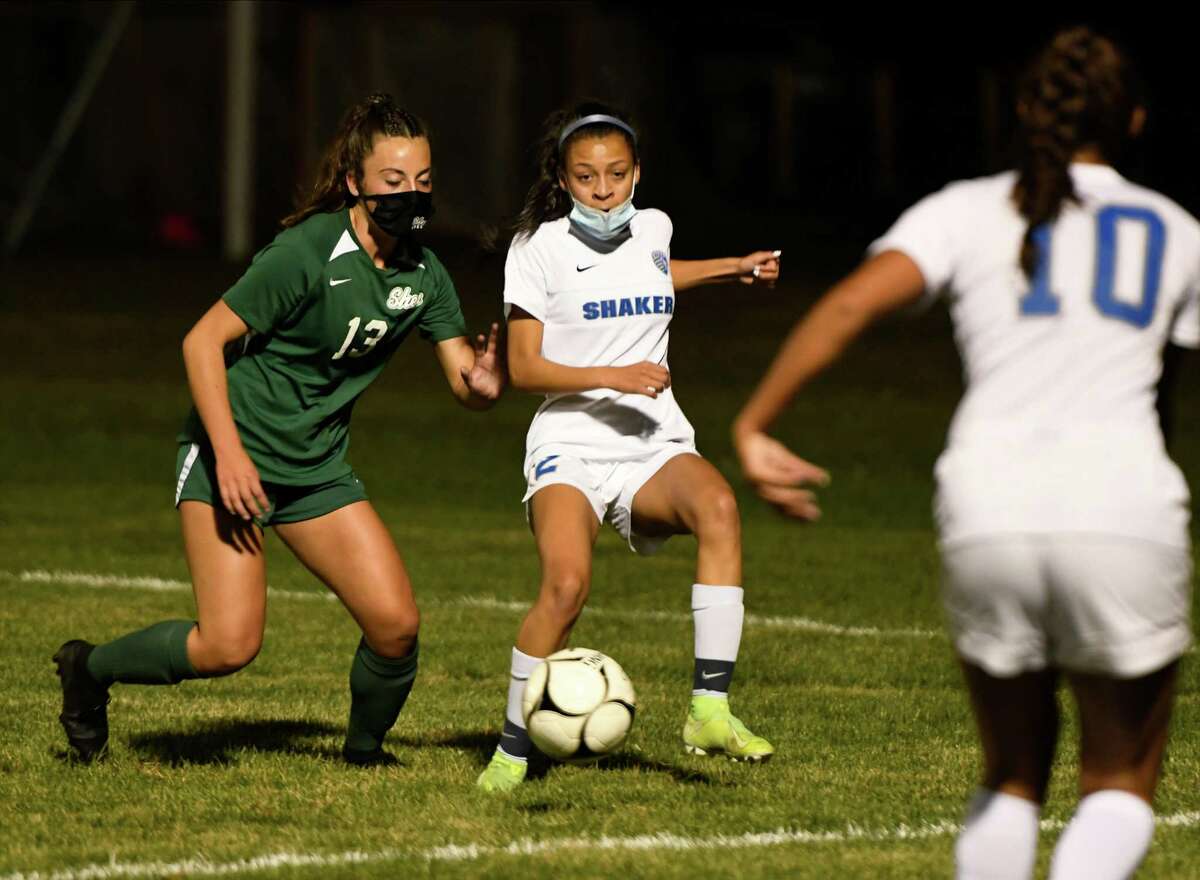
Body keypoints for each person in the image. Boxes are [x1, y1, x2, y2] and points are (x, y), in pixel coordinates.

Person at [732, 28, 1197, 880]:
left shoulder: (965, 210)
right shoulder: (1175, 229)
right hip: (1125, 505)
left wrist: (753, 425)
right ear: (1133, 118)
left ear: (1026, 112)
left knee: (1013, 778)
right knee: (1119, 783)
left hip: (990, 504)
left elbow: (845, 308)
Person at [53, 93, 503, 766]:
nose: (411, 195)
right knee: (228, 645)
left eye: (423, 181)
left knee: (395, 627)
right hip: (226, 456)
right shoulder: (307, 252)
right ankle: (89, 670)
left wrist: (485, 386)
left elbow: (463, 381)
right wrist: (230, 458)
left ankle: (362, 755)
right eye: (393, 181)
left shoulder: (422, 274)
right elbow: (201, 342)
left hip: (313, 469)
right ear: (355, 182)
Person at [476, 102, 783, 793]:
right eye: (586, 177)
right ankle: (513, 747)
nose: (605, 189)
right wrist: (614, 375)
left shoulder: (654, 228)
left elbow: (649, 276)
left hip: (651, 442)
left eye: (617, 173)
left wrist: (733, 268)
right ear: (563, 179)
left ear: (637, 171)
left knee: (720, 508)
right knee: (565, 586)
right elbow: (523, 369)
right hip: (570, 445)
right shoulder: (538, 250)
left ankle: (709, 710)